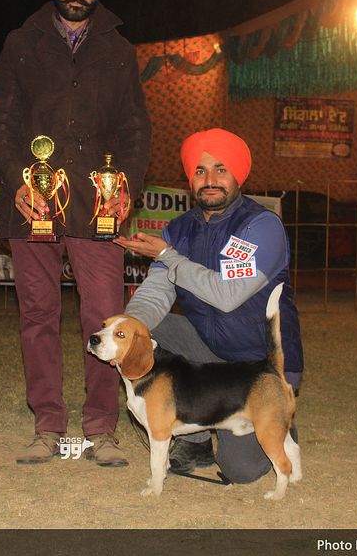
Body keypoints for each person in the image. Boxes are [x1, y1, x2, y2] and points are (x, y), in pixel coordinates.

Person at [0, 0, 152, 467]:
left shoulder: (120, 50)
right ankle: (48, 426)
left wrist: (126, 186)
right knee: (38, 315)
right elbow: (1, 123)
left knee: (105, 317)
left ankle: (101, 429)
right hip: (32, 202)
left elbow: (135, 129)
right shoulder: (21, 42)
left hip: (98, 204)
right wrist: (17, 182)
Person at [114, 127, 304, 484]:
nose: (210, 180)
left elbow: (227, 296)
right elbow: (154, 295)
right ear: (190, 178)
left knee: (242, 470)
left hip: (259, 364)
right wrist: (123, 334)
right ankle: (195, 438)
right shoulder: (178, 230)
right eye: (200, 171)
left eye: (221, 169)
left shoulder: (261, 226)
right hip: (208, 353)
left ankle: (278, 413)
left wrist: (169, 256)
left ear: (238, 175)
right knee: (142, 327)